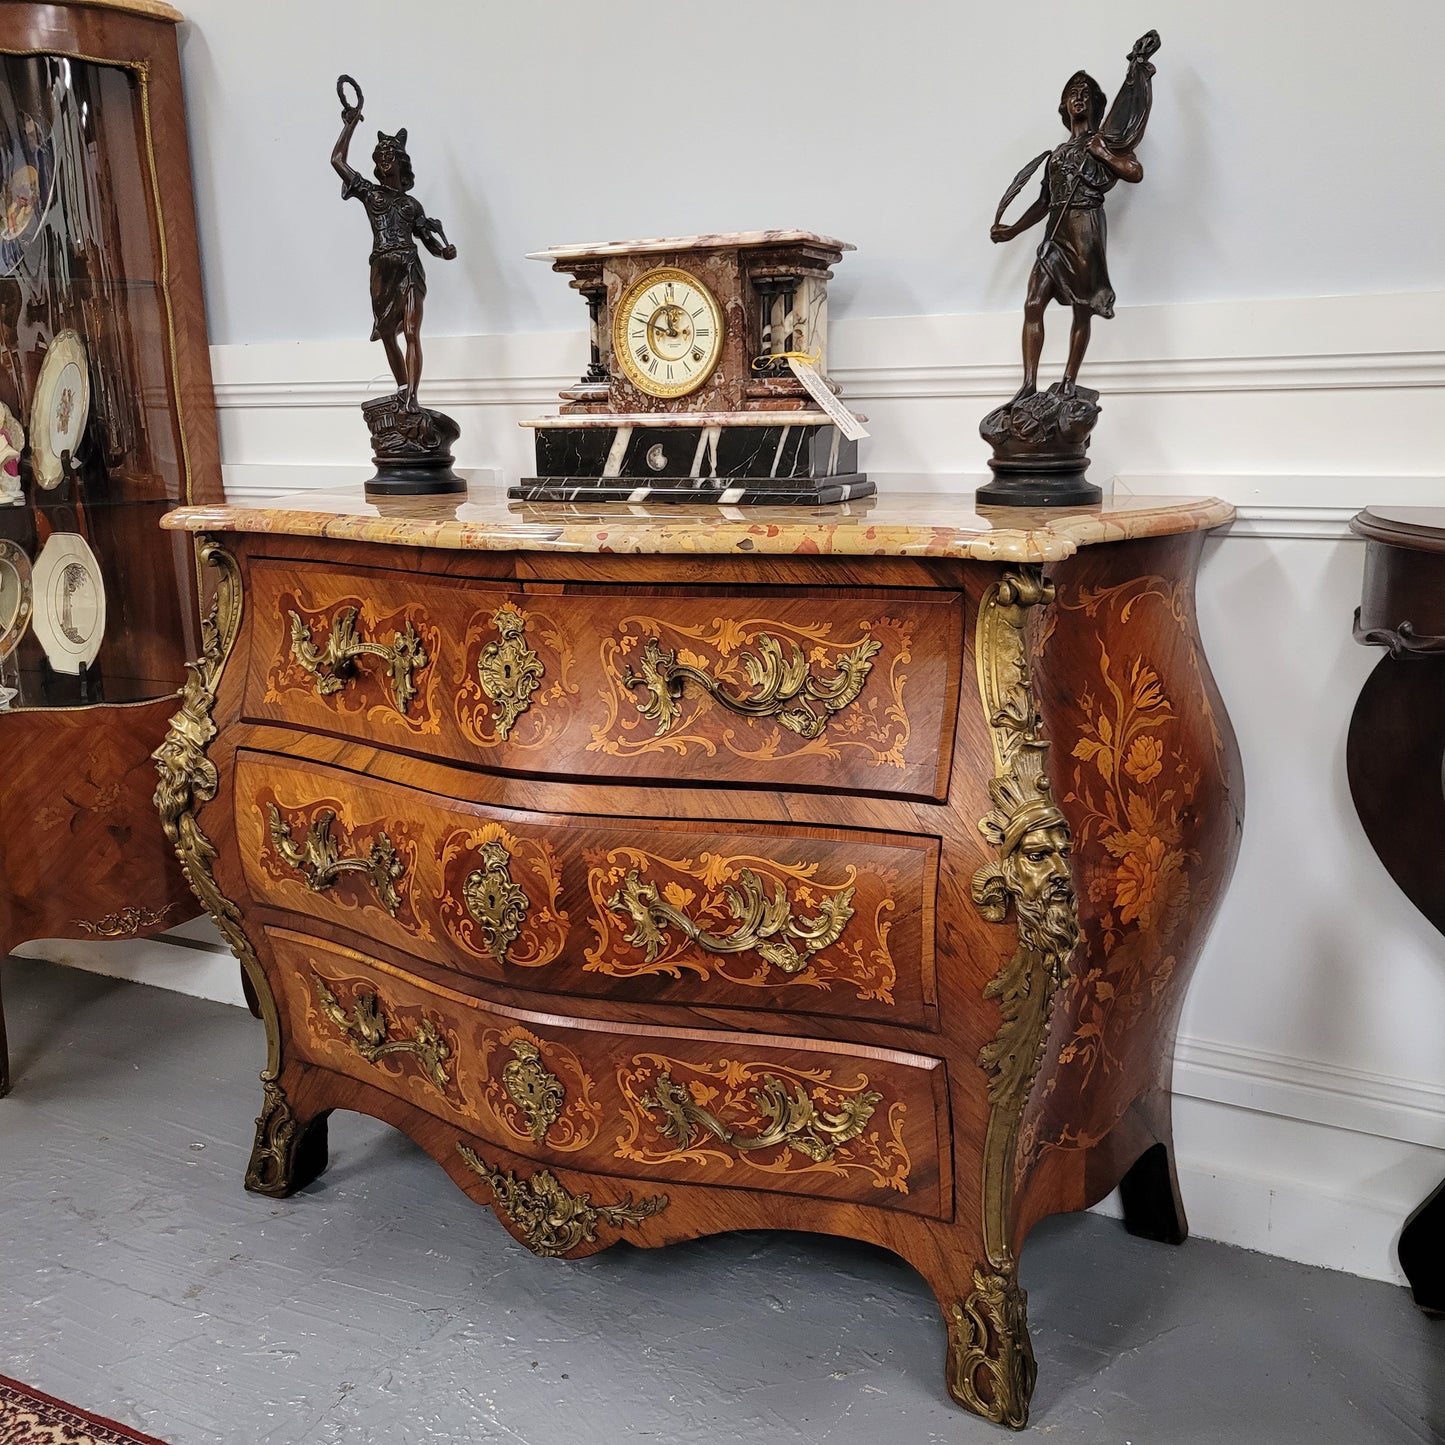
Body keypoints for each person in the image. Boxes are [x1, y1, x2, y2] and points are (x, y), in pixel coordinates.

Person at [991, 33, 1159, 403]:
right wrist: (1013, 230)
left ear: (1095, 103)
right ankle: (1028, 385)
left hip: (1086, 229)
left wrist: (1103, 153)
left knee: (1082, 308)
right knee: (1034, 303)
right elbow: (1044, 202)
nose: (1078, 97)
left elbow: (1134, 171)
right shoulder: (1058, 153)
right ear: (1064, 106)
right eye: (1072, 93)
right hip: (1055, 234)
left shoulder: (1103, 141)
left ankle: (1069, 379)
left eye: (1085, 92)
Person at [332, 101, 456, 409]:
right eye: (381, 156)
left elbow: (429, 242)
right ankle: (403, 386)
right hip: (382, 270)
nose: (385, 160)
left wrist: (444, 251)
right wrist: (350, 125)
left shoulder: (412, 205)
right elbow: (336, 160)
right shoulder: (369, 192)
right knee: (387, 333)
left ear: (401, 162)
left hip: (410, 267)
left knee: (412, 331)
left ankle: (413, 397)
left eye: (390, 156)